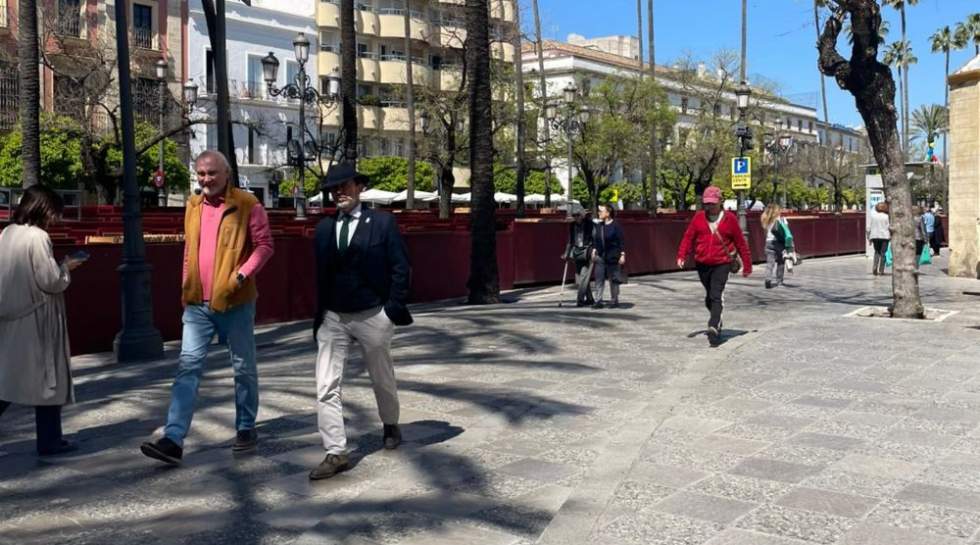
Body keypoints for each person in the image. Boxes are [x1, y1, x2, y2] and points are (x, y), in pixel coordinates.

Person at [141, 150, 274, 466]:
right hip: (197, 305)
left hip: (236, 301)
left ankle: (245, 427)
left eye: (211, 173)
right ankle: (173, 439)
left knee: (243, 368)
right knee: (187, 368)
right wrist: (185, 286)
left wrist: (239, 277)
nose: (205, 180)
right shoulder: (193, 206)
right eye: (200, 173)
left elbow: (265, 246)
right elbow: (190, 248)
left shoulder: (247, 205)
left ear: (226, 173)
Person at [309, 162, 412, 481]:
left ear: (359, 187)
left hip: (372, 314)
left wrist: (391, 309)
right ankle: (335, 451)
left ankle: (390, 422)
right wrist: (321, 315)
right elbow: (320, 275)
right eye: (334, 188)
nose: (339, 192)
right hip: (334, 317)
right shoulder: (324, 228)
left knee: (382, 377)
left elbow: (400, 266)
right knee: (326, 384)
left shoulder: (381, 223)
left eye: (345, 185)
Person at [0, 185, 86, 456]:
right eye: (54, 212)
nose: (56, 218)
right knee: (49, 379)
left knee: (9, 378)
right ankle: (50, 440)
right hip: (39, 316)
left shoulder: (8, 233)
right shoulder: (38, 237)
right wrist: (66, 267)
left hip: (13, 316)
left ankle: (51, 439)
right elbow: (50, 281)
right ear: (44, 209)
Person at [676, 186, 752, 345]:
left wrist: (747, 265)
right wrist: (682, 255)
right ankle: (717, 319)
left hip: (722, 263)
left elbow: (740, 243)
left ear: (720, 202)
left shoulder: (730, 219)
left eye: (712, 203)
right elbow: (688, 237)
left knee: (716, 294)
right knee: (709, 297)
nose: (709, 206)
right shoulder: (698, 218)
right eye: (707, 203)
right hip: (702, 263)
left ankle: (713, 325)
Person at [591, 204, 625, 309]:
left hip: (613, 256)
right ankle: (598, 300)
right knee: (599, 278)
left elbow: (621, 241)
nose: (599, 213)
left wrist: (622, 254)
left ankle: (614, 300)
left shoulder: (616, 226)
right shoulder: (599, 225)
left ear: (608, 213)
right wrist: (594, 250)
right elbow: (596, 240)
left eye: (602, 211)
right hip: (601, 256)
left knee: (613, 279)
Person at [564, 209, 594, 307]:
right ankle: (590, 299)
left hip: (587, 252)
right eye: (574, 215)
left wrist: (594, 250)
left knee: (583, 277)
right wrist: (566, 253)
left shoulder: (590, 224)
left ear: (582, 215)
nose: (576, 217)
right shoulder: (572, 225)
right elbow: (570, 240)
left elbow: (595, 238)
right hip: (576, 252)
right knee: (581, 278)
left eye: (578, 215)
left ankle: (580, 300)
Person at [760, 204, 793, 289]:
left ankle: (768, 279)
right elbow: (786, 232)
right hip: (779, 242)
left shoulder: (766, 219)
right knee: (780, 262)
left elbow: (765, 232)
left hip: (768, 242)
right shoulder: (781, 219)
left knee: (769, 263)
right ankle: (779, 281)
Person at [867, 201, 890, 276]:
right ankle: (881, 270)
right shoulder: (887, 216)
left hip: (875, 236)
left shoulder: (873, 216)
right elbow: (889, 227)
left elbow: (868, 227)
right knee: (883, 253)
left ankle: (875, 267)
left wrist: (869, 237)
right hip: (884, 236)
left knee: (876, 252)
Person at [913, 206, 926, 270]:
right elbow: (923, 229)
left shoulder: (908, 218)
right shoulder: (920, 218)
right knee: (918, 254)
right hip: (918, 238)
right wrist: (925, 239)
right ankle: (916, 267)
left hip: (910, 238)